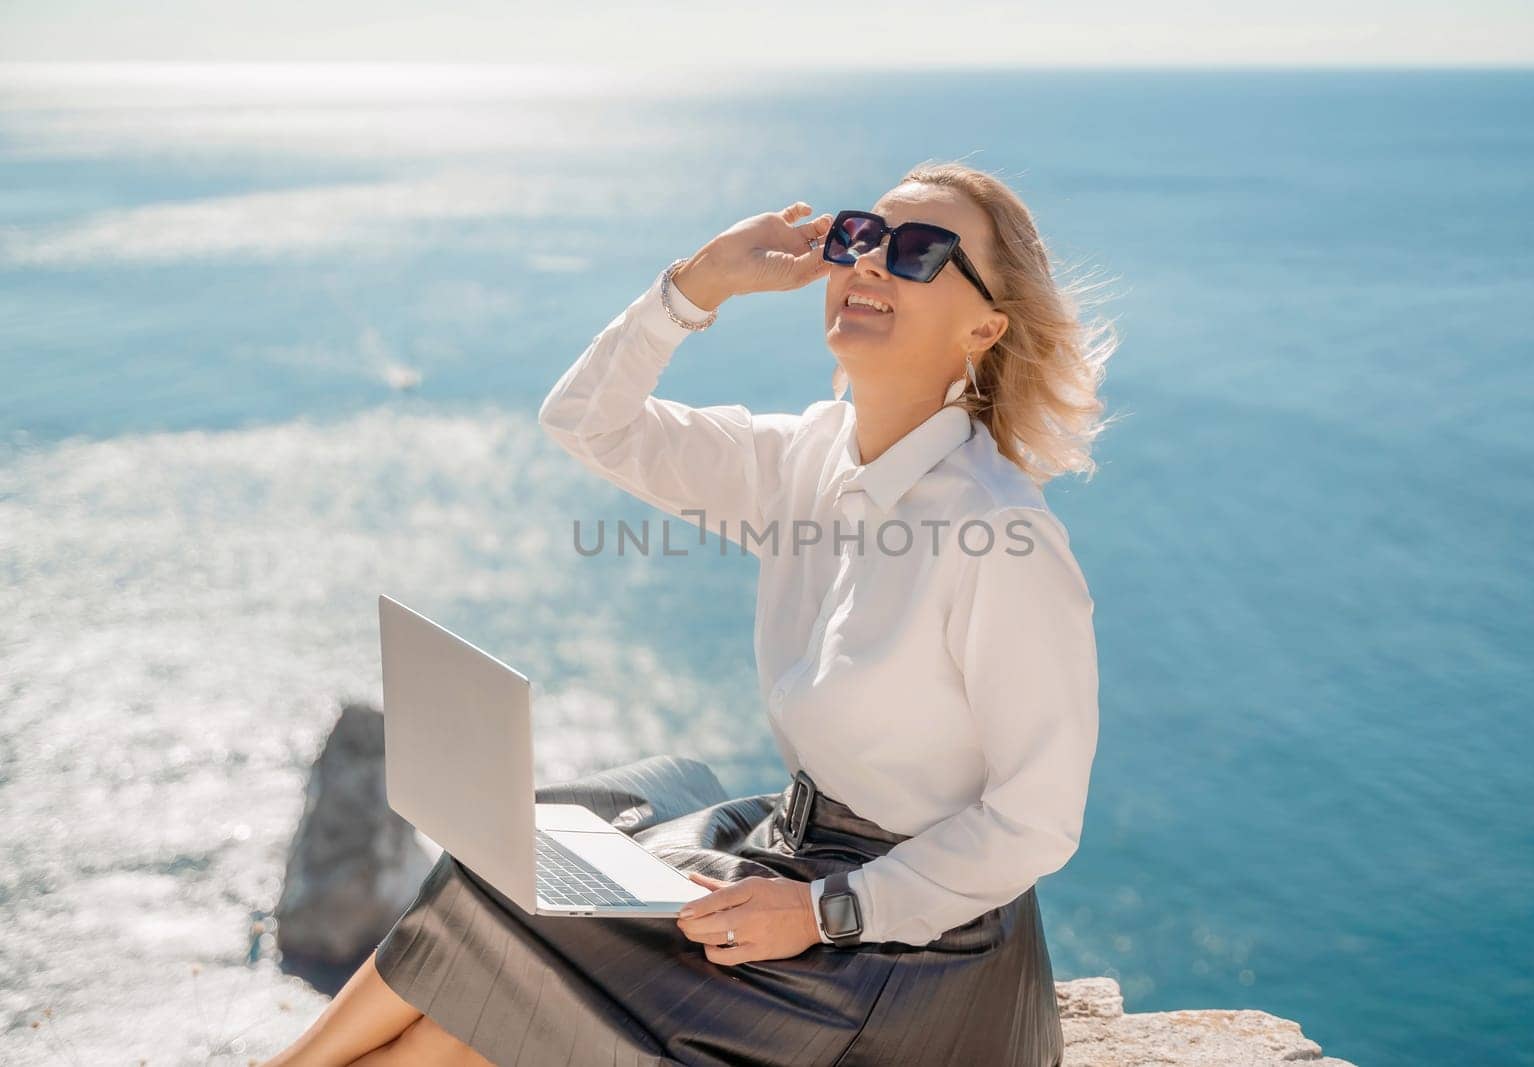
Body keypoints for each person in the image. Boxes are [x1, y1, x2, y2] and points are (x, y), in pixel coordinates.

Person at [266, 160, 1116, 1067]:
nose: (868, 262)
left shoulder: (1002, 533)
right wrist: (699, 283)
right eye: (857, 237)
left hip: (915, 964)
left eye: (916, 251)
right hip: (796, 861)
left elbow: (1036, 820)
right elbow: (591, 422)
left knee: (503, 923)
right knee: (518, 855)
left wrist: (826, 911)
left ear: (985, 326)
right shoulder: (809, 457)